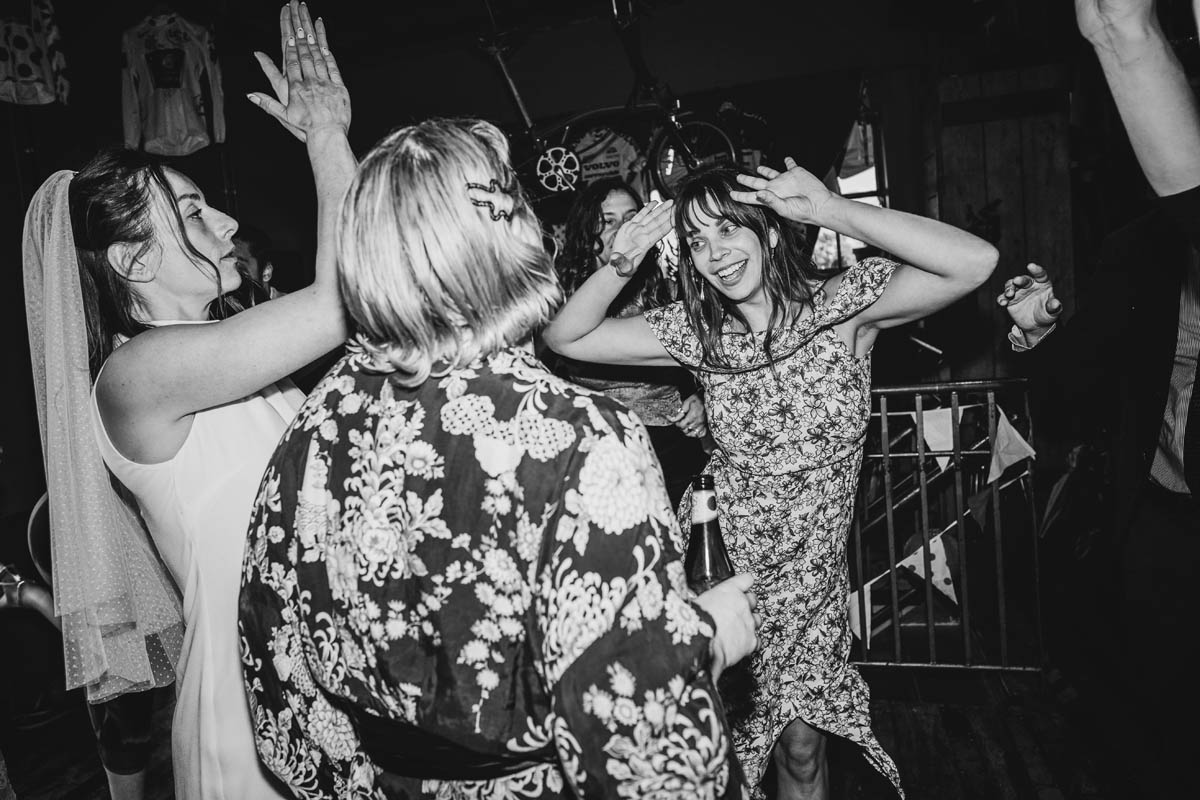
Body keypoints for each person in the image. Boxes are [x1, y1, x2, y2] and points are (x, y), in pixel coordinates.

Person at [238, 117, 761, 799]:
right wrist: (706, 641)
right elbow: (648, 756)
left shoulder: (314, 425)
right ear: (506, 235)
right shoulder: (576, 437)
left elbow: (278, 681)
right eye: (513, 199)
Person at [544, 161, 998, 799]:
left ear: (771, 232)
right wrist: (624, 261)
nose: (714, 254)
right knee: (715, 751)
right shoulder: (700, 335)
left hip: (812, 580)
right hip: (726, 572)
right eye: (696, 242)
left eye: (729, 230)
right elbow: (567, 337)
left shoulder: (839, 312)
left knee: (805, 750)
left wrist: (829, 210)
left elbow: (974, 261)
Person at [20, 4, 354, 799]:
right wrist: (326, 138)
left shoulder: (237, 362)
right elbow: (342, 301)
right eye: (196, 213)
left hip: (327, 672)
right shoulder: (135, 376)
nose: (230, 221)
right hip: (250, 706)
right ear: (133, 257)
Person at [998, 0, 1200, 792]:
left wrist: (1121, 30)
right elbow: (1069, 392)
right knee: (1167, 734)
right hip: (1163, 531)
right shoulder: (1138, 254)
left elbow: (1124, 29)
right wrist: (1039, 332)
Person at [550, 177, 710, 507]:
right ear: (585, 230)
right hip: (598, 453)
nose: (624, 228)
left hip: (671, 446)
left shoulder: (664, 287)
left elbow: (695, 360)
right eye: (607, 220)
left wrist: (698, 397)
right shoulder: (559, 298)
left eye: (631, 217)